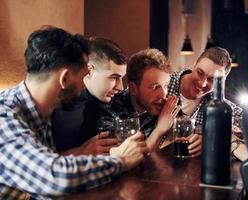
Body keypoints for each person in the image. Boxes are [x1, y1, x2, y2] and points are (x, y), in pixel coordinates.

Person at [0, 27, 148, 199]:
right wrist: (120, 160)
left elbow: (44, 163)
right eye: (83, 76)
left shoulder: (40, 111)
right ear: (64, 78)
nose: (82, 88)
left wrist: (82, 151)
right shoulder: (4, 117)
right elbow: (56, 178)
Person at [101, 48, 201, 156]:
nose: (163, 94)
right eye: (155, 87)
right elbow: (127, 160)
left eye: (166, 86)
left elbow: (188, 133)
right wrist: (159, 129)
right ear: (133, 89)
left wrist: (198, 141)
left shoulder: (163, 106)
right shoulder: (110, 110)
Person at [51, 38, 127, 155]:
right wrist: (81, 152)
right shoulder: (55, 106)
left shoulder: (113, 101)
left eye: (121, 78)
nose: (120, 87)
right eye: (114, 77)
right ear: (89, 70)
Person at [167, 46, 242, 127]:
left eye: (212, 79)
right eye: (200, 73)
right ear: (194, 64)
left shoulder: (215, 101)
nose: (202, 83)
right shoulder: (165, 84)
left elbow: (247, 119)